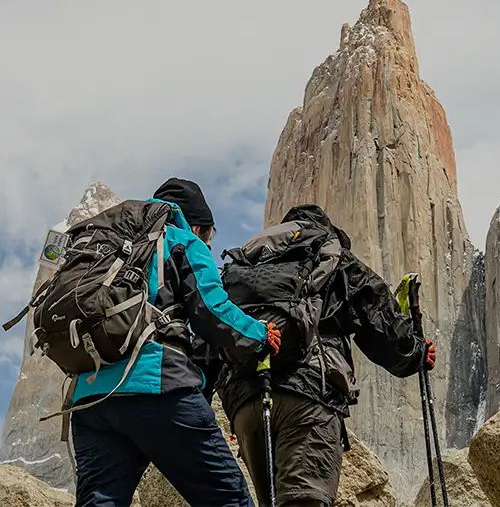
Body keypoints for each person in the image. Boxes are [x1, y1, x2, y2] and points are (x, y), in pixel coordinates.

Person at [69, 177, 280, 507]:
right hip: (156, 387)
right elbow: (212, 311)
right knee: (228, 498)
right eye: (209, 238)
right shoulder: (181, 240)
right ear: (198, 226)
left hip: (91, 398)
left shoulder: (113, 243)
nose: (209, 246)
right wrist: (259, 333)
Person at [216, 204, 437, 507]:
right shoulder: (330, 254)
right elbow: (376, 315)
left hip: (247, 402)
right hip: (307, 396)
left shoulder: (247, 263)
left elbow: (211, 329)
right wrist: (416, 352)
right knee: (303, 502)